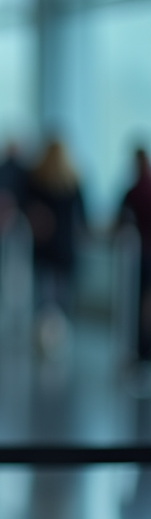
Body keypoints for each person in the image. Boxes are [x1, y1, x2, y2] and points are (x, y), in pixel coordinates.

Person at [24, 139, 86, 315]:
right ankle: (59, 331)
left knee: (41, 296)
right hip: (65, 246)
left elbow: (27, 208)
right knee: (63, 297)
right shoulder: (73, 182)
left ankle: (41, 331)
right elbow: (82, 217)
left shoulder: (36, 180)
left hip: (43, 245)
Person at [118, 148, 151, 361]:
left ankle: (142, 351)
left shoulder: (133, 191)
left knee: (140, 307)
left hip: (142, 256)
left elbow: (120, 221)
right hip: (143, 255)